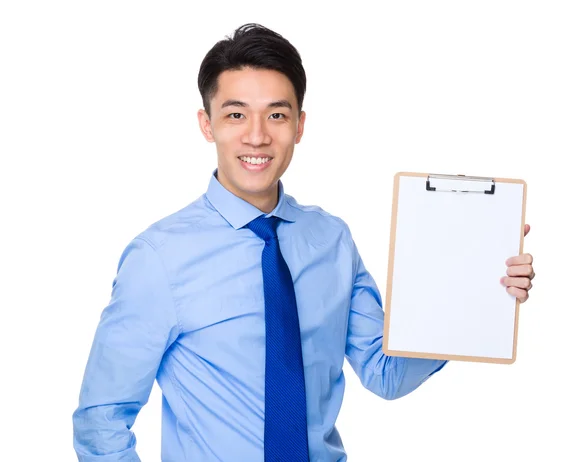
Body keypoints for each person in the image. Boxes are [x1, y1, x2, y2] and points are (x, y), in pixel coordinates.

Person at [73, 23, 536, 461]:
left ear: (299, 125)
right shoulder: (158, 257)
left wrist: (472, 288)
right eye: (236, 114)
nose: (257, 136)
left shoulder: (330, 239)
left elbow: (385, 372)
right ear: (207, 124)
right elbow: (102, 420)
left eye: (277, 114)